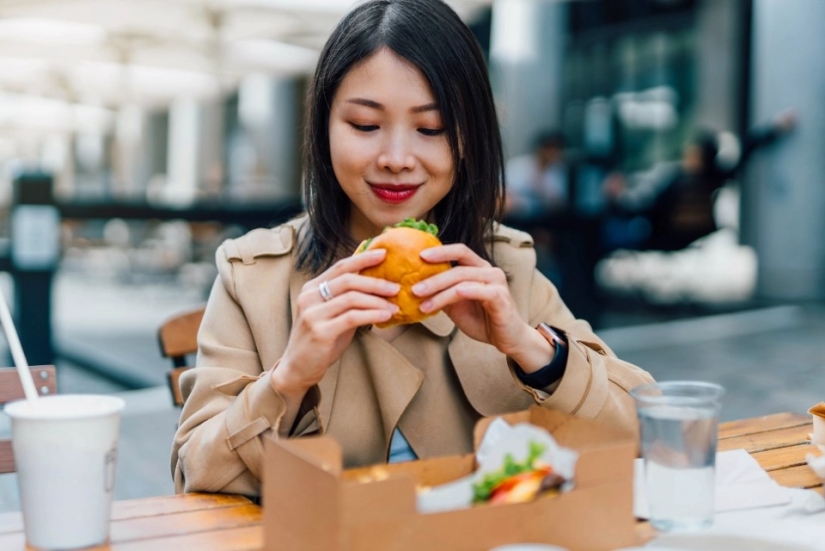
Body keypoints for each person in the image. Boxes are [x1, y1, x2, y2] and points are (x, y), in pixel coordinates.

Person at [171, 0, 654, 497]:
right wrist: (289, 378)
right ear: (323, 129)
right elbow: (197, 476)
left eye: (431, 129)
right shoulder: (251, 276)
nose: (397, 159)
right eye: (364, 125)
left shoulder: (505, 264)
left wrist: (531, 348)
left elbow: (648, 431)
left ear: (469, 137)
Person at [603, 111, 796, 252]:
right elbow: (747, 147)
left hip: (656, 236)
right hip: (682, 238)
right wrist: (775, 128)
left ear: (700, 157)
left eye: (694, 149)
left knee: (603, 231)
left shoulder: (675, 180)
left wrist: (617, 196)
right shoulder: (716, 176)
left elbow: (636, 204)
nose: (689, 150)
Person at [504, 130, 570, 217]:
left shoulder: (560, 171)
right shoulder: (519, 165)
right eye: (549, 148)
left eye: (556, 149)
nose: (552, 153)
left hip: (543, 216)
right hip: (515, 210)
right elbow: (503, 190)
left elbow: (558, 203)